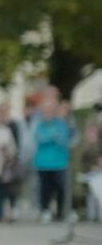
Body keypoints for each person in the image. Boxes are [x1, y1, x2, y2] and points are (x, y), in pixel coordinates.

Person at [33, 93, 72, 223]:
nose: (47, 113)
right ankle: (45, 210)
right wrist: (52, 136)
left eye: (50, 111)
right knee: (45, 188)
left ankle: (60, 212)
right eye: (45, 111)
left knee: (60, 188)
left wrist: (51, 136)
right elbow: (40, 139)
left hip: (59, 162)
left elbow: (63, 140)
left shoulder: (61, 124)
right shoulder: (39, 125)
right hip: (43, 163)